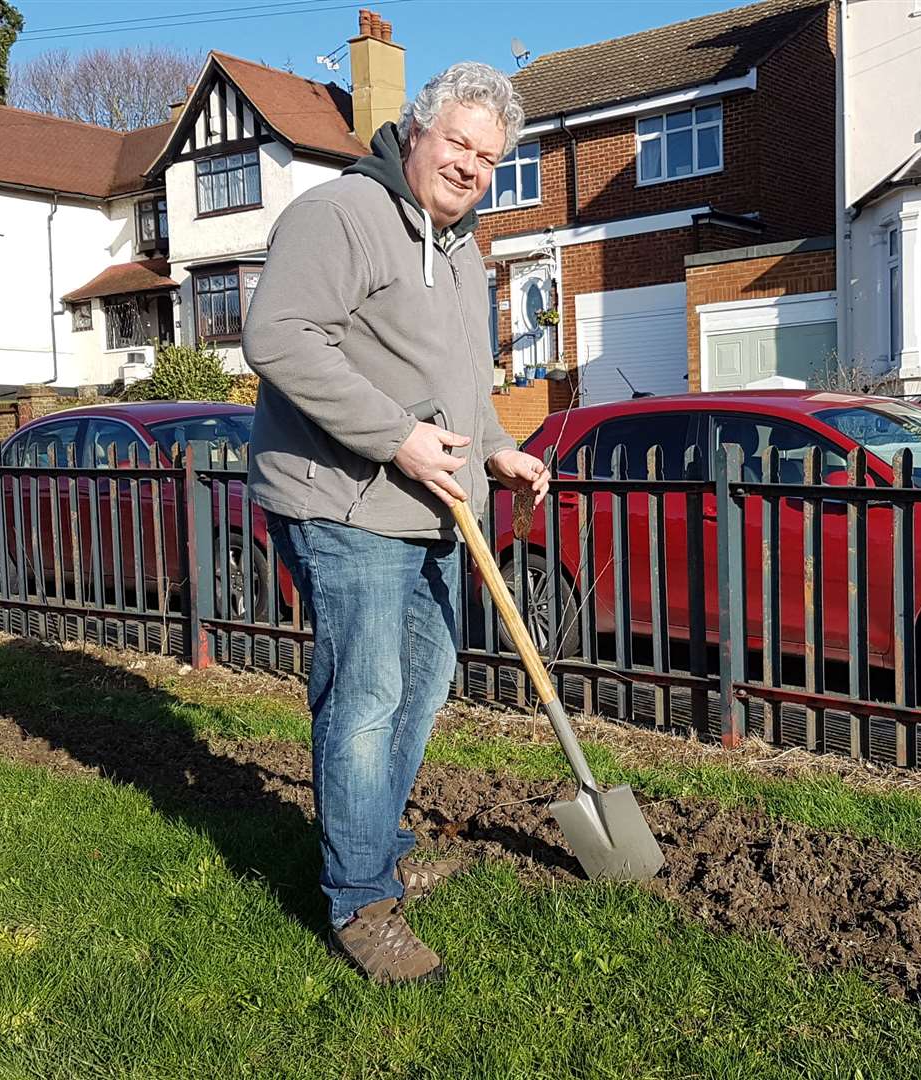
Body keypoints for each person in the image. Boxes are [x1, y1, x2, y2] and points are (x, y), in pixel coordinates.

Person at [243, 63, 550, 986]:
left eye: (490, 158)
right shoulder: (343, 215)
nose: (470, 167)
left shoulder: (462, 252)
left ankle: (375, 840)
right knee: (367, 698)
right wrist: (396, 439)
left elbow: (461, 388)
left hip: (429, 505)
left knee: (424, 685)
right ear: (415, 132)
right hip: (341, 499)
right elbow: (280, 336)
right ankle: (361, 901)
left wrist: (494, 445)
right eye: (459, 142)